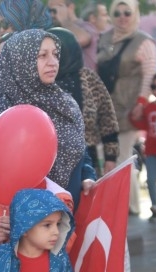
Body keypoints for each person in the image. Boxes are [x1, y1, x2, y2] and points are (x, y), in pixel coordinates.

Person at [0, 29, 96, 208]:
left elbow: (80, 153)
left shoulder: (66, 105)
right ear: (21, 60)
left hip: (69, 222)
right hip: (17, 226)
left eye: (55, 54)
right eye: (42, 55)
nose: (52, 62)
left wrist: (87, 176)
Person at [96, 0, 156, 214]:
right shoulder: (104, 38)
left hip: (128, 108)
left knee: (122, 158)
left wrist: (141, 102)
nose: (122, 16)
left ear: (135, 13)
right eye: (118, 12)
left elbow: (150, 75)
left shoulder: (143, 41)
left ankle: (130, 206)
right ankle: (113, 204)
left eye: (127, 12)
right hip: (103, 108)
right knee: (106, 158)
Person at [48, 27, 119, 177]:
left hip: (87, 161)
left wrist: (110, 157)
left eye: (57, 52)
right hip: (48, 160)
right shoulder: (42, 79)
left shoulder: (88, 78)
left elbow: (107, 119)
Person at [132, 71, 156, 219]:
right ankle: (155, 207)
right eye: (154, 87)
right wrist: (134, 115)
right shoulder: (148, 107)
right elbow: (142, 124)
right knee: (151, 180)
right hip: (152, 151)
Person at [48, 0, 99, 70]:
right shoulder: (53, 30)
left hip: (84, 79)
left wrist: (63, 20)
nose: (52, 14)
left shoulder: (86, 27)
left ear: (70, 7)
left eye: (54, 10)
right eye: (49, 10)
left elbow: (82, 39)